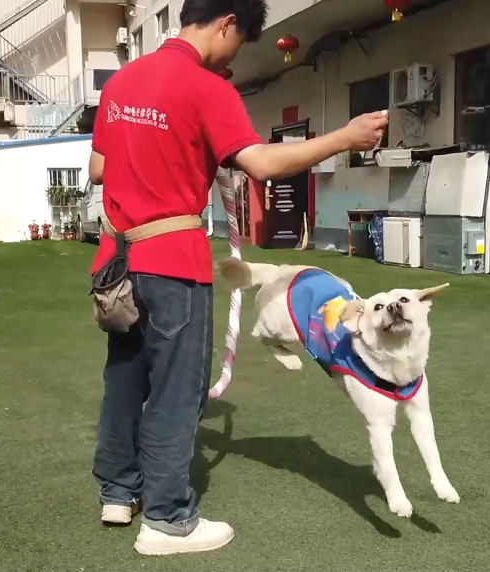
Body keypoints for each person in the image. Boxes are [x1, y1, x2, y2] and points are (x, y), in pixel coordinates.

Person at [87, 0, 389, 556]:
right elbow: (263, 165)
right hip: (172, 260)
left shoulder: (122, 81)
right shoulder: (207, 89)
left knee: (125, 379)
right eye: (240, 40)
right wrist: (345, 137)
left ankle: (118, 491)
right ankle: (167, 520)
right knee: (177, 391)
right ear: (227, 23)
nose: (235, 54)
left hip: (117, 260)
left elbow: (100, 169)